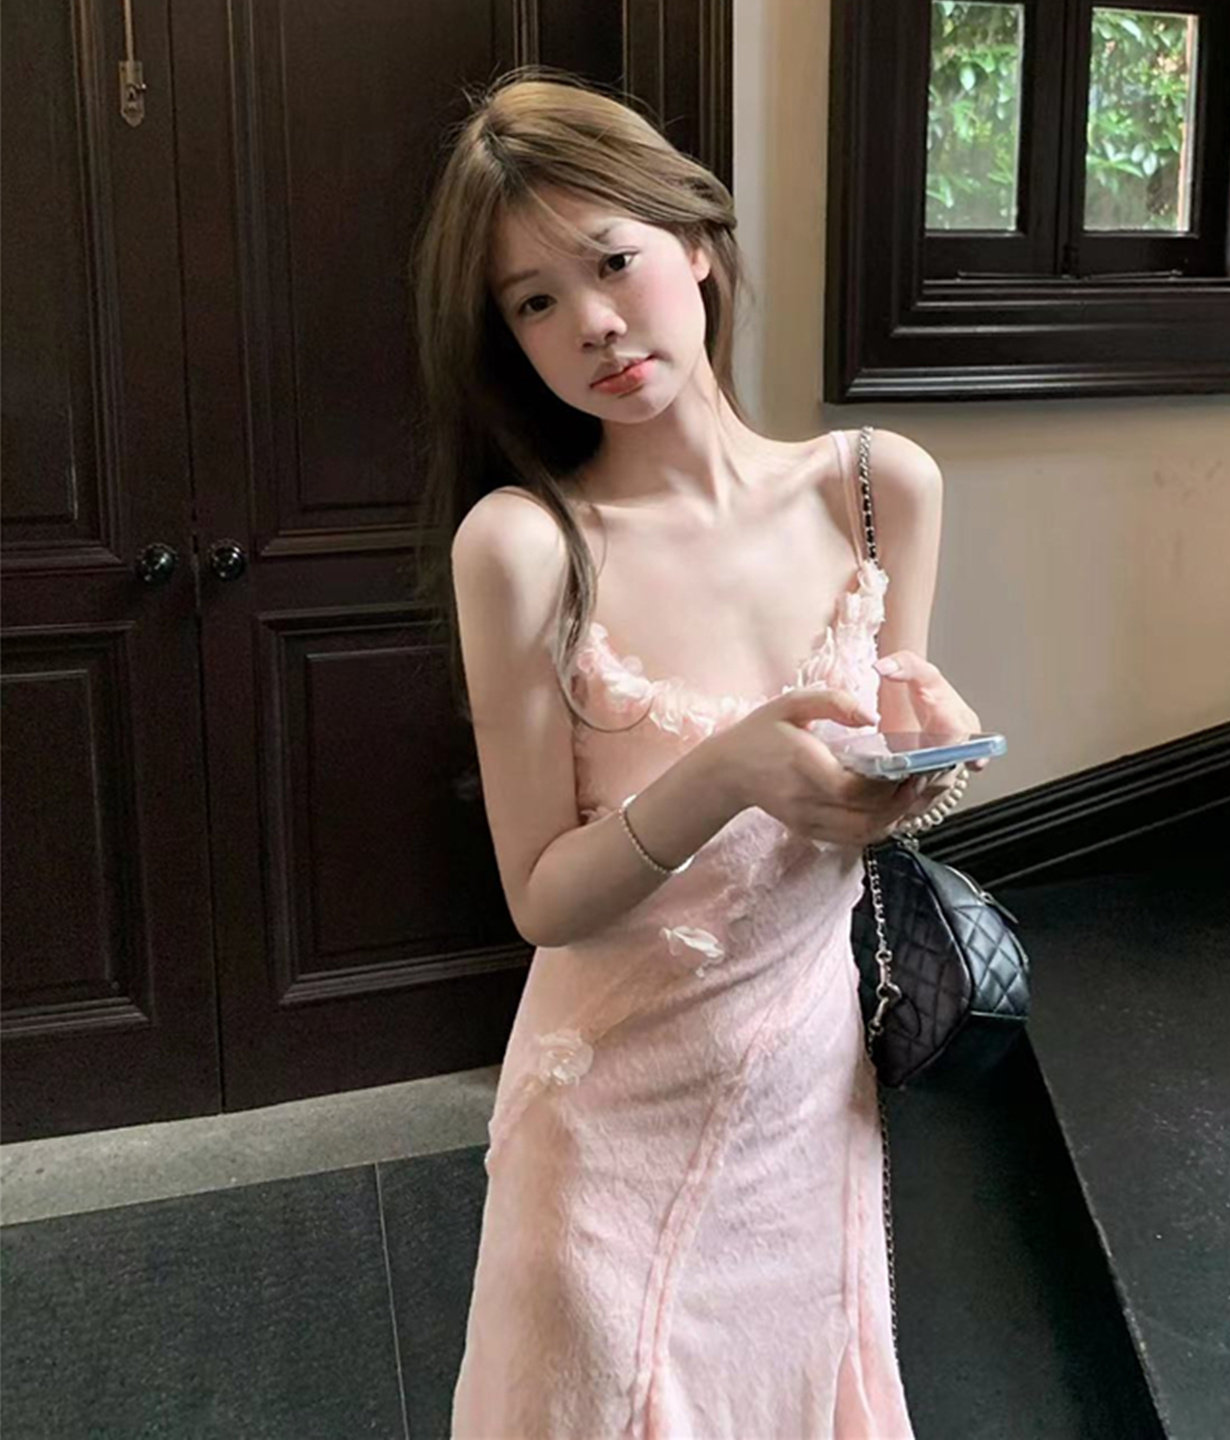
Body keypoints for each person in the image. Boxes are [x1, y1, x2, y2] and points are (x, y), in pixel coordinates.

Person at [410, 64, 987, 1440]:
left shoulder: (878, 491)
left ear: (699, 247)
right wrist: (723, 769)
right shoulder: (525, 545)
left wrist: (929, 764)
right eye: (533, 302)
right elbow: (541, 897)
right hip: (602, 1142)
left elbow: (858, 812)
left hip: (805, 1110)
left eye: (612, 261)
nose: (593, 323)